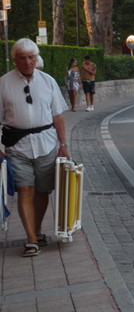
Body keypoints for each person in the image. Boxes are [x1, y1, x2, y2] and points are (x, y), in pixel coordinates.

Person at [0, 38, 70, 257]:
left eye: (30, 57)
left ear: (36, 58)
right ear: (15, 60)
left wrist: (63, 145)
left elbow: (57, 116)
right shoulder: (3, 83)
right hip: (17, 147)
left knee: (42, 191)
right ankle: (31, 239)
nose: (27, 62)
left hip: (46, 144)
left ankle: (37, 231)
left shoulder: (48, 81)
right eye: (22, 58)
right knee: (25, 190)